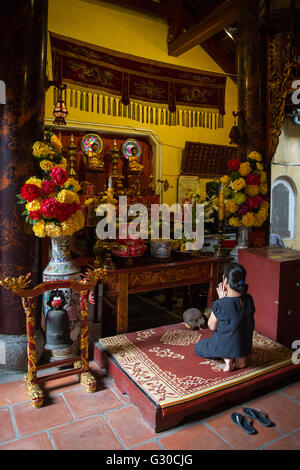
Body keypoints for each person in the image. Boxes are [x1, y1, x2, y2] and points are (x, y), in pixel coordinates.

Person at [195, 263, 255, 372]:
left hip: (225, 345)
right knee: (236, 328)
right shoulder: (249, 299)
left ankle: (228, 359)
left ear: (226, 281)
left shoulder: (220, 304)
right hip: (245, 346)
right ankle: (240, 359)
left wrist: (221, 300)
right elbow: (236, 316)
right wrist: (223, 300)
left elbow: (211, 326)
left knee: (199, 347)